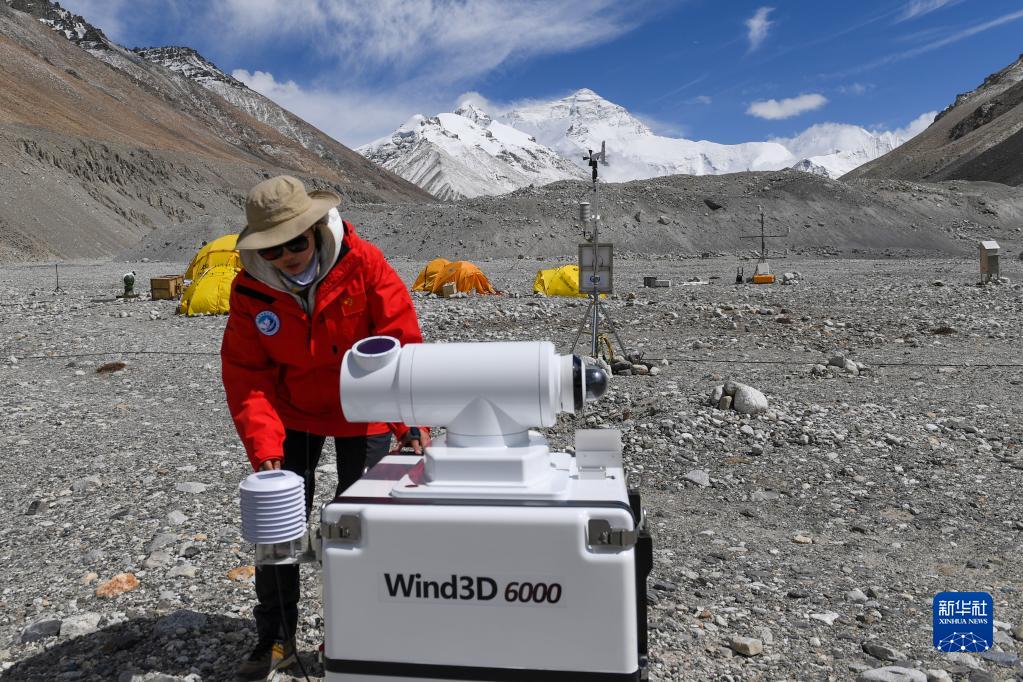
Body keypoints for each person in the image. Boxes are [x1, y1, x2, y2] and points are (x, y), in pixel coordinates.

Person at [221, 175, 428, 680]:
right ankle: (276, 636)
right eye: (272, 249)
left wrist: (409, 422)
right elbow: (247, 373)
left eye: (295, 242)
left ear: (314, 230)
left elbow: (400, 341)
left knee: (365, 524)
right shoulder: (249, 289)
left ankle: (358, 631)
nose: (287, 256)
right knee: (276, 526)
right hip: (293, 414)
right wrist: (265, 446)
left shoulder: (363, 262)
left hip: (366, 410)